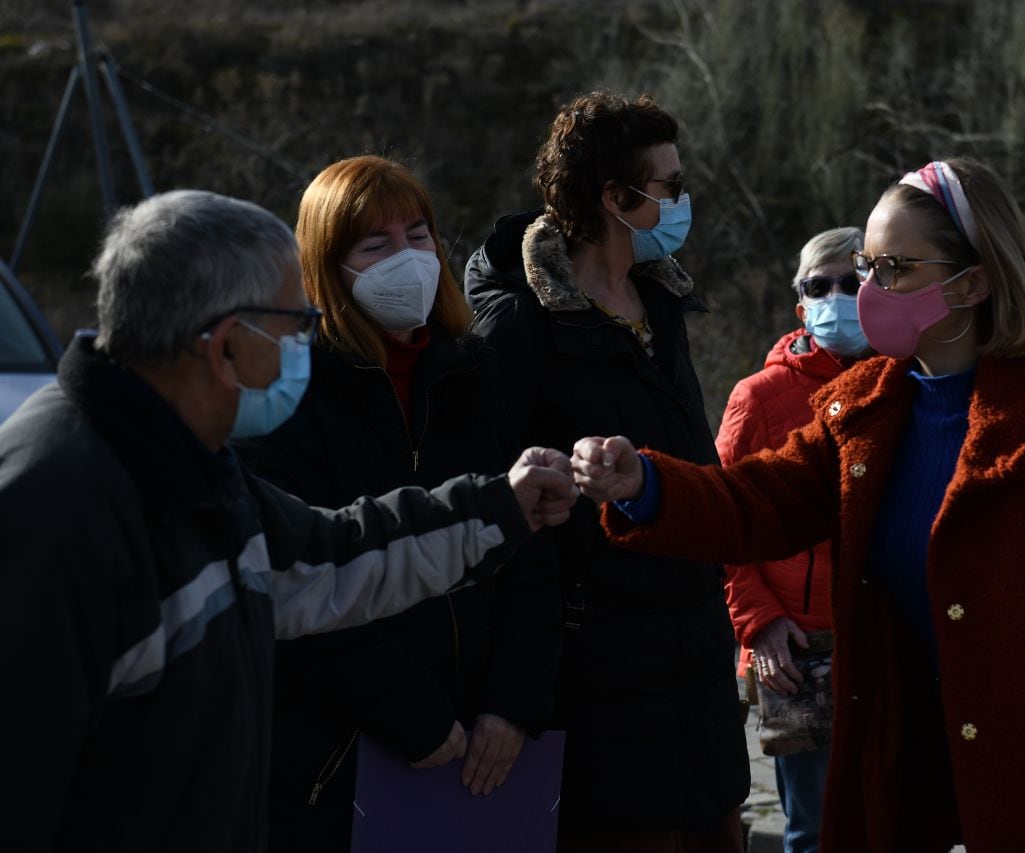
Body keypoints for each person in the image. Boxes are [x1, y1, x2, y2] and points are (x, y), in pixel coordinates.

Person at [571, 159, 1025, 853]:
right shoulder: (863, 412)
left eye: (892, 269)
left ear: (973, 282)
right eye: (867, 265)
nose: (867, 290)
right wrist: (645, 484)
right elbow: (756, 499)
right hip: (896, 794)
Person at [0, 189, 578, 853]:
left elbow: (328, 556)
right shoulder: (53, 506)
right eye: (295, 324)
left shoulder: (197, 465)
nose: (309, 340)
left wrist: (500, 507)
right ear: (224, 348)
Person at [232, 155, 562, 852]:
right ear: (325, 265)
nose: (408, 259)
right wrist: (412, 716)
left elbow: (531, 548)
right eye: (375, 245)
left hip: (486, 756)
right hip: (338, 760)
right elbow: (300, 575)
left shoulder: (477, 375)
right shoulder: (290, 395)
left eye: (419, 234)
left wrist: (511, 704)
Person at [464, 90, 749, 852]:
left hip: (694, 674)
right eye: (670, 187)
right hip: (593, 682)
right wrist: (512, 693)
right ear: (617, 198)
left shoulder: (662, 303)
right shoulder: (520, 327)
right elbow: (496, 524)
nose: (682, 202)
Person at [717, 226, 869, 853]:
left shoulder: (913, 380)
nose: (837, 295)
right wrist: (760, 623)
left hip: (890, 634)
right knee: (815, 831)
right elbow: (724, 524)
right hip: (800, 647)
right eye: (819, 285)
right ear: (799, 304)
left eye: (852, 282)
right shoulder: (758, 398)